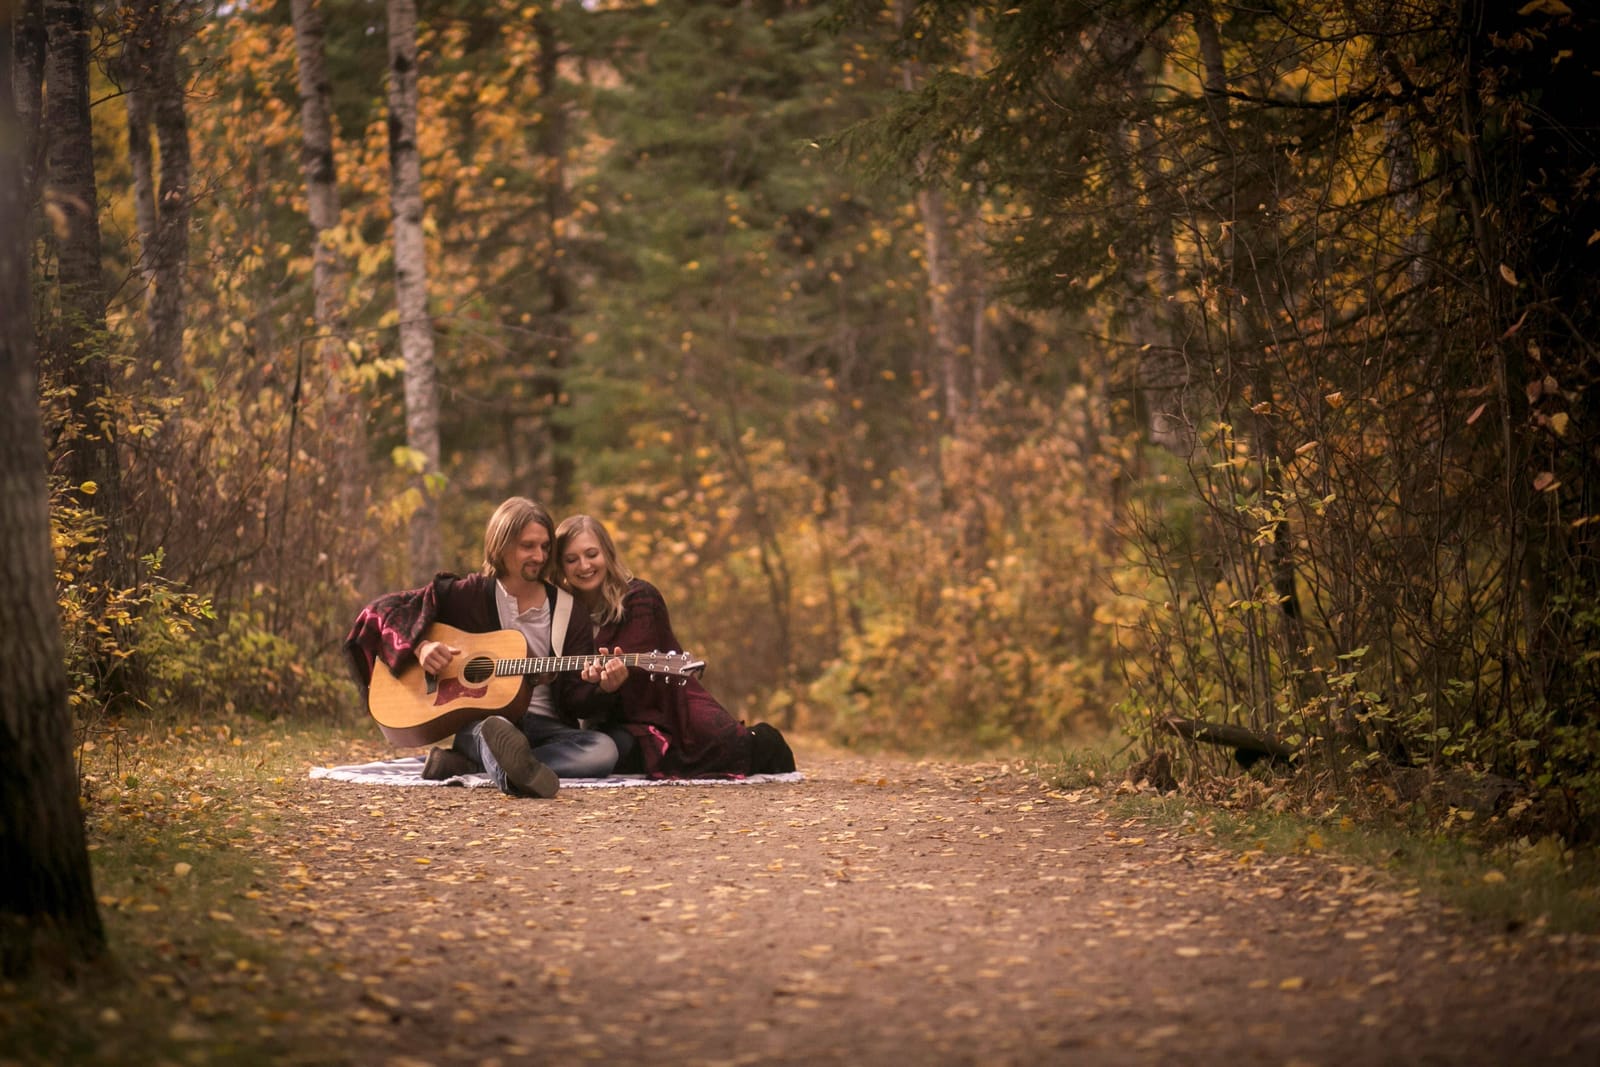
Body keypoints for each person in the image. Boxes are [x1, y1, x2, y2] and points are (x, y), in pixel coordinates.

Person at [344, 497, 628, 797]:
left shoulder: (569, 611)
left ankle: (480, 766)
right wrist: (419, 646)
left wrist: (603, 687)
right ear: (501, 546)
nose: (540, 556)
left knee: (603, 750)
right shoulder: (469, 595)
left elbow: (576, 701)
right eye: (528, 546)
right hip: (485, 726)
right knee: (491, 733)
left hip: (547, 729)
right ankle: (510, 766)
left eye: (545, 546)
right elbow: (379, 612)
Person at [553, 513, 795, 778]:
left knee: (728, 743)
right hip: (609, 721)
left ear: (607, 554)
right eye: (571, 559)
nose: (584, 565)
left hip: (664, 706)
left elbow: (641, 677)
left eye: (591, 554)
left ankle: (763, 740)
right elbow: (573, 697)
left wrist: (604, 684)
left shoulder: (640, 597)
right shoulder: (561, 611)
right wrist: (599, 690)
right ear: (560, 565)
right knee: (617, 752)